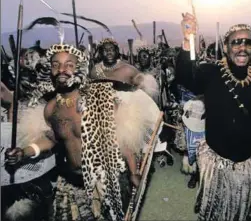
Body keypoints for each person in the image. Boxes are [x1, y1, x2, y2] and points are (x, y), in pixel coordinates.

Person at [5, 43, 154, 221]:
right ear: (50, 70)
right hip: (70, 183)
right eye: (55, 65)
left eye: (69, 64)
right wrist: (24, 152)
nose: (62, 70)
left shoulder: (100, 98)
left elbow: (123, 137)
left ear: (79, 69)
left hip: (104, 181)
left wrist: (133, 172)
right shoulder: (51, 108)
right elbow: (51, 137)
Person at [175, 13, 251, 221]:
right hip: (217, 165)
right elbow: (185, 78)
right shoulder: (211, 74)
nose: (242, 47)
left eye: (247, 42)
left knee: (244, 213)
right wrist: (188, 41)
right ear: (225, 47)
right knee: (216, 212)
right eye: (236, 42)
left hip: (249, 164)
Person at [90, 38, 158, 102]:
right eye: (105, 50)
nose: (109, 52)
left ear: (116, 51)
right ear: (101, 52)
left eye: (111, 49)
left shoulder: (128, 69)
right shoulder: (95, 71)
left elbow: (146, 92)